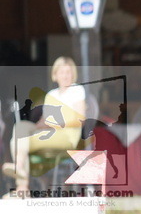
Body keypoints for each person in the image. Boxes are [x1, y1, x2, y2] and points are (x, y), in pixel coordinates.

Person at [3, 57, 87, 196]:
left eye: (68, 72)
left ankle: (21, 183)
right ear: (55, 75)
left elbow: (80, 120)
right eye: (62, 72)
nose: (65, 76)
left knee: (21, 141)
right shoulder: (51, 95)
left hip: (66, 137)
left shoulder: (77, 90)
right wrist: (37, 127)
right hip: (49, 134)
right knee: (21, 128)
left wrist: (56, 124)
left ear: (73, 74)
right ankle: (21, 173)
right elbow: (44, 121)